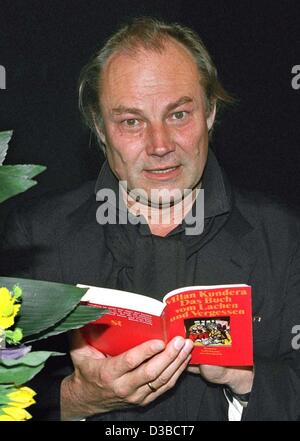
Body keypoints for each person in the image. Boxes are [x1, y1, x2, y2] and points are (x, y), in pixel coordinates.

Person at [1, 17, 300, 421]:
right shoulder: (35, 237)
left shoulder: (282, 237)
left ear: (210, 112)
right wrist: (76, 399)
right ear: (99, 127)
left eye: (178, 115)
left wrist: (245, 381)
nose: (160, 145)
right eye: (131, 122)